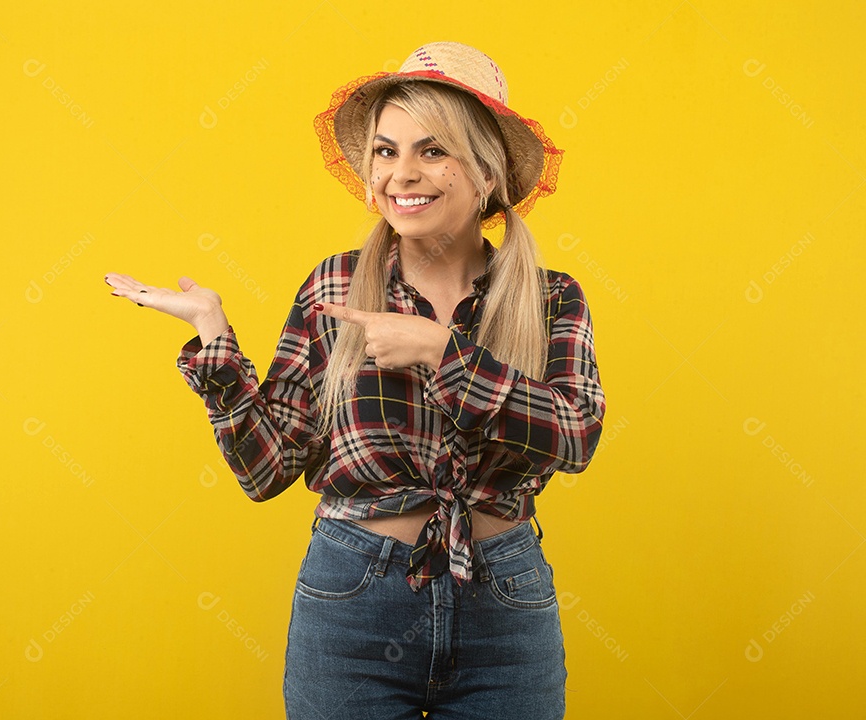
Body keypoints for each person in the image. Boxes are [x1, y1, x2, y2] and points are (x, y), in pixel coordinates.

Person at [105, 41, 606, 720]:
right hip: (353, 603)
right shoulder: (335, 285)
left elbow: (574, 437)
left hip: (506, 606)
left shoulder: (550, 300)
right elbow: (267, 469)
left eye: (434, 151)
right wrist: (215, 340)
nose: (403, 173)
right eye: (386, 150)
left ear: (486, 172)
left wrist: (442, 352)